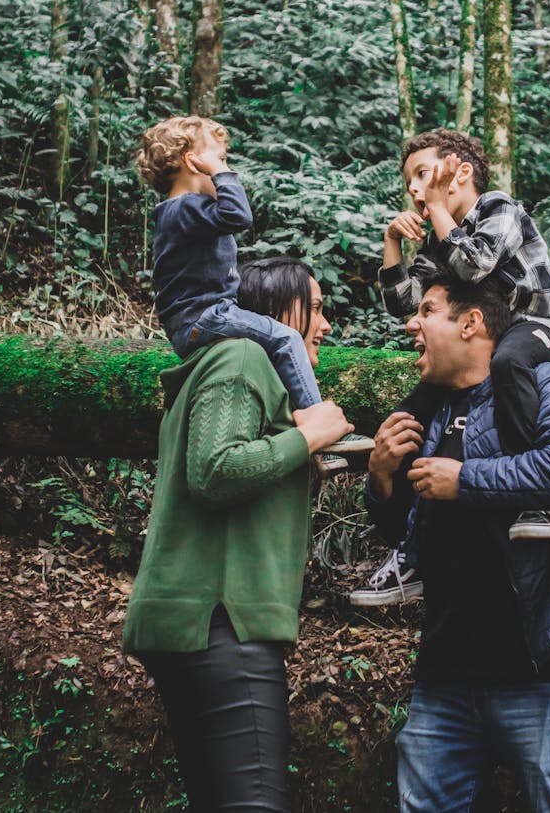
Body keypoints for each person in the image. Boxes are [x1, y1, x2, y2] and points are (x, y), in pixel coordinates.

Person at [365, 271, 550, 813]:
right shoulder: (429, 411)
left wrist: (465, 481)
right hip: (445, 669)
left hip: (541, 668)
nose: (413, 323)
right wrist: (382, 476)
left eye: (429, 310)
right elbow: (407, 532)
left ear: (471, 323)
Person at [122, 256, 353, 813]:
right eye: (315, 309)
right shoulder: (244, 356)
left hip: (201, 625)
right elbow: (215, 470)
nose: (324, 325)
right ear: (274, 312)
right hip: (221, 624)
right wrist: (309, 438)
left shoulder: (229, 365)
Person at [350, 128, 550, 606]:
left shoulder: (499, 209)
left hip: (536, 328)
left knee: (512, 361)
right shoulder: (438, 239)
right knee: (413, 411)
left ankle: (541, 499)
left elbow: (474, 267)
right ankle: (410, 555)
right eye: (409, 181)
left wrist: (434, 208)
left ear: (462, 173)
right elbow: (403, 301)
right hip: (484, 344)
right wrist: (393, 240)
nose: (414, 189)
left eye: (424, 175)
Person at [136, 116, 360, 471]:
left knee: (272, 343)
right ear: (193, 162)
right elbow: (239, 215)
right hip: (204, 317)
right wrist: (220, 174)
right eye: (221, 159)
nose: (227, 169)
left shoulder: (187, 213)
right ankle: (321, 428)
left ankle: (307, 437)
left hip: (202, 318)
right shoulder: (183, 209)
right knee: (287, 337)